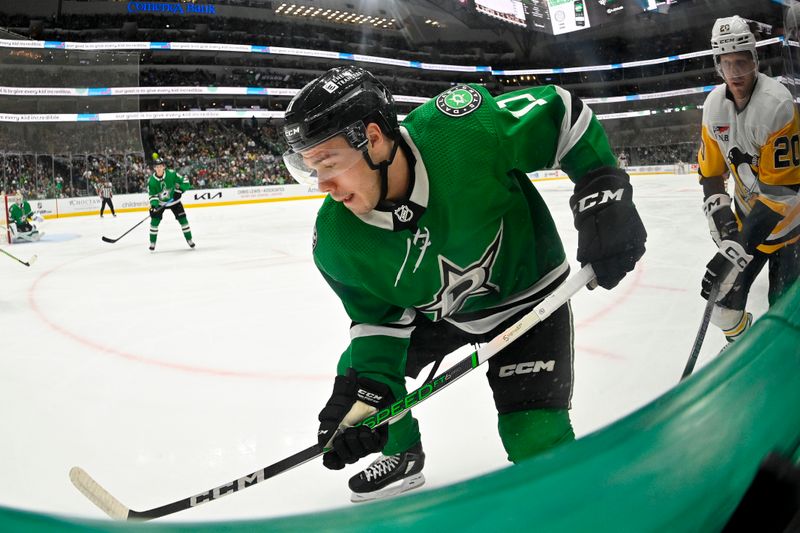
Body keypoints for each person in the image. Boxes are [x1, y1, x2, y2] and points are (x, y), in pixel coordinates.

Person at [281, 66, 647, 502]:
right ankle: (404, 454)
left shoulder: (460, 129)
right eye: (310, 169)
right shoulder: (338, 242)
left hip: (525, 300)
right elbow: (378, 324)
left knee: (533, 437)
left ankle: (570, 507)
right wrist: (370, 395)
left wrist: (601, 186)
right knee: (358, 377)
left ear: (374, 139)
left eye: (329, 163)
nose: (324, 187)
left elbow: (561, 114)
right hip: (439, 313)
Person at [697, 15, 800, 343]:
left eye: (741, 63)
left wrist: (736, 247)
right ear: (717, 65)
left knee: (783, 318)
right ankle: (742, 350)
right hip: (748, 223)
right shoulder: (713, 106)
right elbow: (711, 174)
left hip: (790, 229)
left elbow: (780, 193)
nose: (735, 74)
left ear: (754, 60)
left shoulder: (778, 103)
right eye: (727, 65)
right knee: (723, 310)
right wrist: (728, 231)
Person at [147, 154, 194, 251]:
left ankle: (189, 240)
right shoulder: (151, 181)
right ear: (154, 168)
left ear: (164, 166)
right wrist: (154, 206)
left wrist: (180, 190)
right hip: (161, 203)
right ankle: (152, 242)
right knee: (154, 222)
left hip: (174, 201)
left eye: (161, 166)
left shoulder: (172, 174)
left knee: (183, 220)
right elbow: (152, 195)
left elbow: (185, 181)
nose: (159, 168)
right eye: (157, 167)